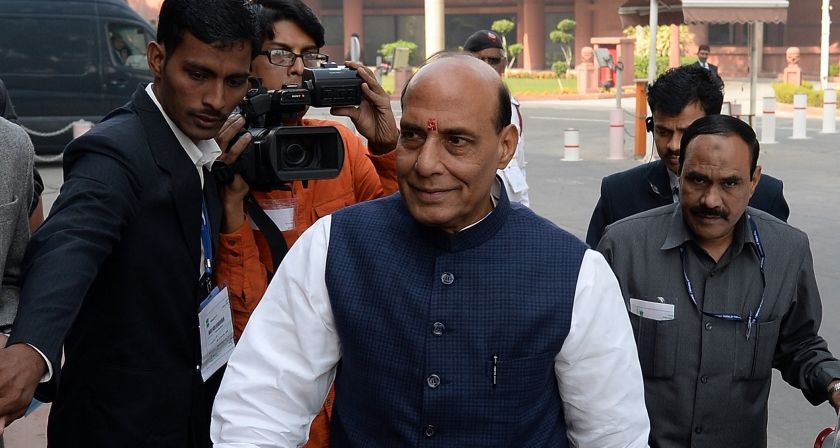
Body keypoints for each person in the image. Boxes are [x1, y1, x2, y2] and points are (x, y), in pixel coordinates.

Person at [210, 53, 650, 447]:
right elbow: (260, 406)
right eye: (414, 136)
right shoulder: (334, 247)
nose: (425, 164)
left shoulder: (575, 274)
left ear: (505, 147)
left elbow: (613, 435)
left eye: (456, 141)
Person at [0, 0, 257, 446]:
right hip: (116, 427)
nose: (216, 99)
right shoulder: (116, 151)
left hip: (194, 413)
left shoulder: (210, 143)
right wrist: (31, 349)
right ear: (157, 59)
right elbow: (70, 242)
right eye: (197, 75)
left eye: (234, 81)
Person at [213, 2, 399, 444]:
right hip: (273, 392)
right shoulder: (223, 156)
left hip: (350, 382)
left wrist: (388, 148)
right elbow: (246, 321)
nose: (297, 68)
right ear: (246, 64)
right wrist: (232, 203)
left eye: (309, 54)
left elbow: (399, 245)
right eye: (280, 54)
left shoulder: (341, 145)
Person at [597, 114, 840, 447]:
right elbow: (587, 360)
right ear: (679, 172)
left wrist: (834, 384)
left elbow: (798, 345)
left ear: (754, 181)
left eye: (730, 183)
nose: (711, 200)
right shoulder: (623, 247)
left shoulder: (788, 252)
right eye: (697, 180)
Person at [585, 65, 788, 247]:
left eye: (686, 132)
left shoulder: (766, 196)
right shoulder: (619, 194)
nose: (674, 145)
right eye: (663, 132)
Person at [463, 29, 529, 206]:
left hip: (511, 204)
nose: (487, 65)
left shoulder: (512, 106)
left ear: (504, 64)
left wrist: (523, 206)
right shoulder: (456, 105)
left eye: (494, 60)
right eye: (480, 59)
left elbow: (519, 164)